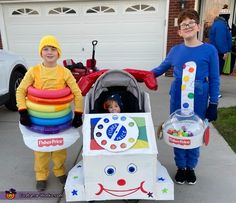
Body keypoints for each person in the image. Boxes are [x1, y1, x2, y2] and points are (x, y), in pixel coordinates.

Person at [151, 9, 220, 185]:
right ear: (179, 31)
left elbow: (214, 79)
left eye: (191, 23)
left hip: (199, 98)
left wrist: (213, 103)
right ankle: (181, 167)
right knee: (179, 131)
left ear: (198, 26)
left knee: (194, 132)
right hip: (177, 99)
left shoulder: (209, 50)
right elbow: (159, 69)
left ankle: (191, 167)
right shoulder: (175, 51)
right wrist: (140, 75)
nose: (188, 26)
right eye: (184, 25)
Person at [16, 35, 83, 191]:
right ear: (41, 52)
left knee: (60, 148)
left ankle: (59, 171)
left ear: (58, 52)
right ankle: (41, 175)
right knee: (41, 150)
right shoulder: (34, 71)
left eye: (53, 49)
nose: (49, 52)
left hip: (60, 119)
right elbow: (21, 90)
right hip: (38, 120)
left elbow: (77, 93)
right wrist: (23, 111)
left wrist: (78, 113)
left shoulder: (64, 72)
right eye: (45, 49)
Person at [209, 4, 232, 75]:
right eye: (228, 16)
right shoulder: (220, 25)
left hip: (217, 51)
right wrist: (224, 51)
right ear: (226, 16)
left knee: (215, 72)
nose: (229, 17)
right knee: (216, 73)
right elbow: (220, 40)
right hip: (219, 53)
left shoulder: (218, 24)